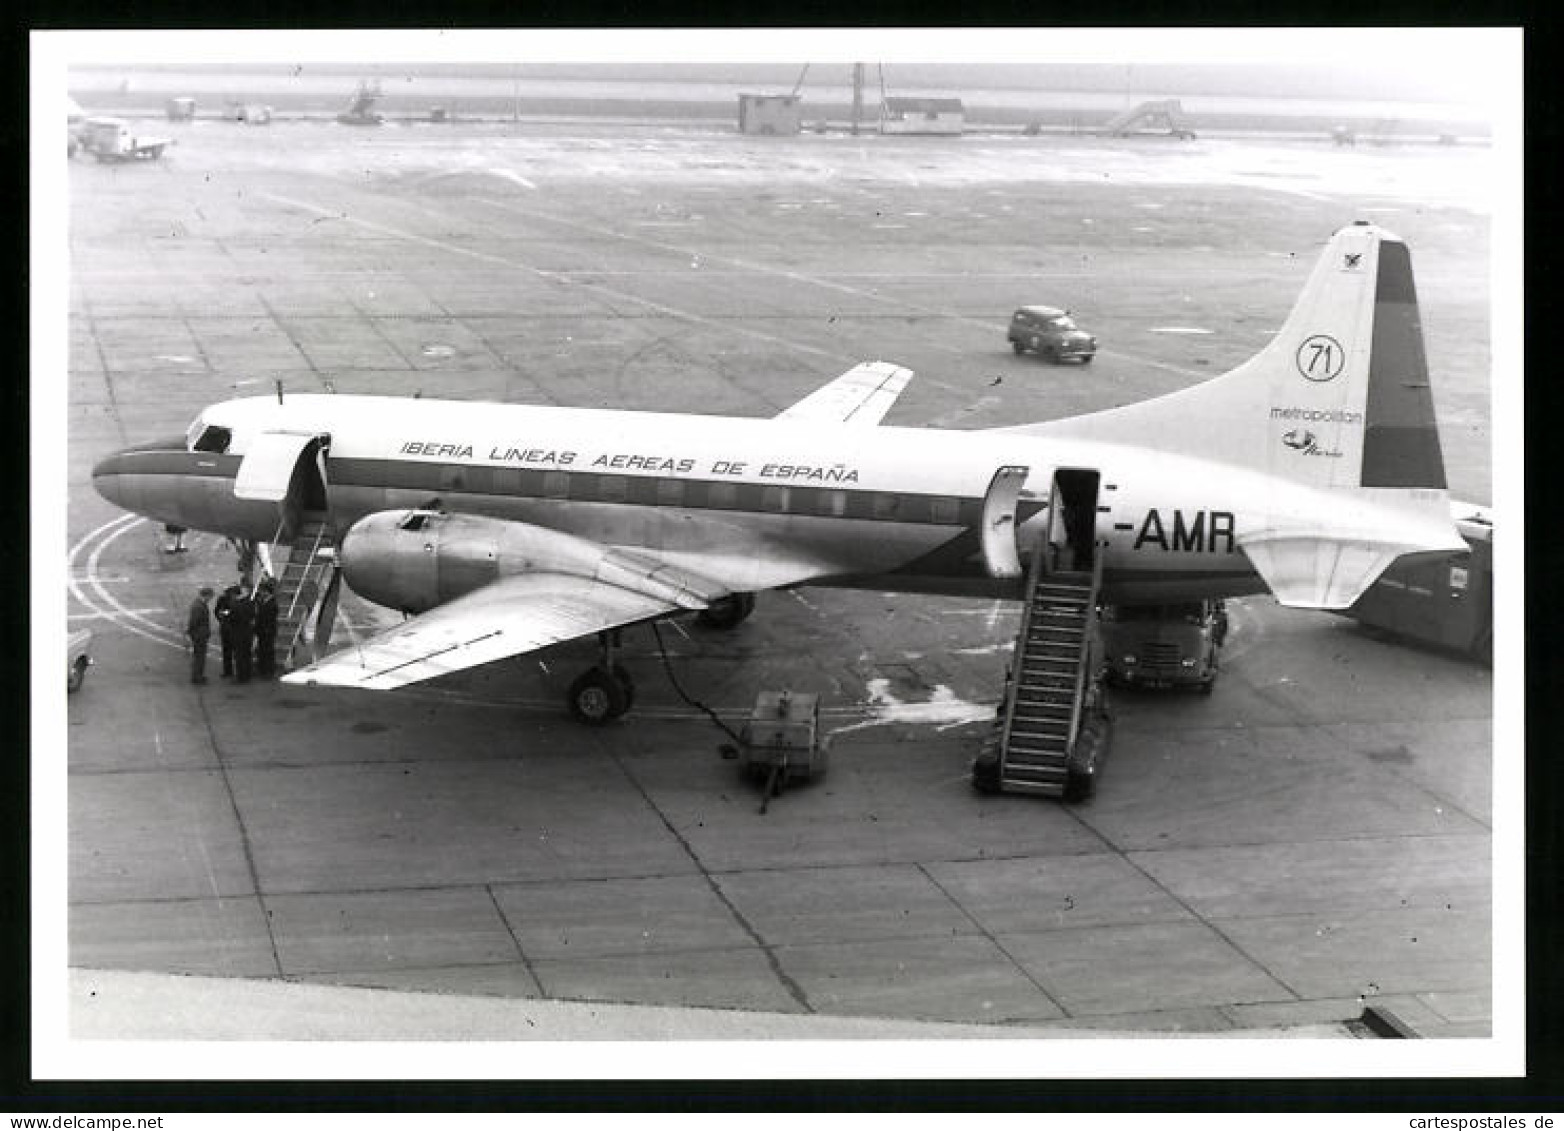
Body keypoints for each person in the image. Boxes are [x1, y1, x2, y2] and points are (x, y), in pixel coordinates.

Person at [229, 583, 256, 683]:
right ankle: (247, 675)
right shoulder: (250, 603)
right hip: (247, 632)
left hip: (238, 632)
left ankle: (241, 677)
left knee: (239, 656)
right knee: (247, 655)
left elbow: (232, 618)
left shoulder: (236, 604)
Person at [186, 587, 214, 684]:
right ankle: (197, 676)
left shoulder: (199, 604)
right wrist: (191, 632)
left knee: (199, 656)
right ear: (206, 595)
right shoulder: (198, 606)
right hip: (199, 635)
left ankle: (198, 675)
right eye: (210, 596)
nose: (210, 599)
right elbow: (194, 621)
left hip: (199, 634)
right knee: (199, 656)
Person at [253, 577, 279, 677]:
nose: (261, 593)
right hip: (262, 631)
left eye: (262, 591)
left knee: (268, 651)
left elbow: (269, 619)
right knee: (263, 650)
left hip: (267, 631)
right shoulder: (264, 602)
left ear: (267, 592)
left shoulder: (272, 604)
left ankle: (269, 671)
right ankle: (263, 669)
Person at [214, 582, 240, 678]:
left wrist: (225, 613)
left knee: (236, 651)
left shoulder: (236, 600)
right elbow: (216, 611)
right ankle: (227, 671)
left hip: (233, 628)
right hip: (226, 627)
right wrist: (220, 616)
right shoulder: (222, 599)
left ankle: (236, 671)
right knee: (226, 651)